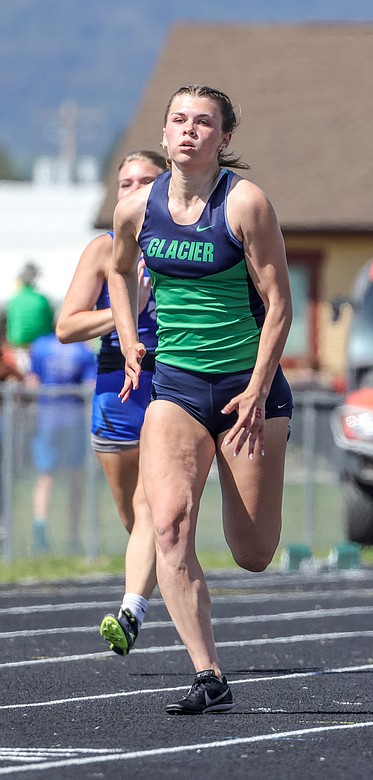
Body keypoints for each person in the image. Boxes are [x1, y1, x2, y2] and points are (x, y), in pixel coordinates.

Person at [108, 84, 293, 715]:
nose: (189, 131)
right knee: (168, 524)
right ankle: (208, 675)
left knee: (253, 552)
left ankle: (259, 471)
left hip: (249, 387)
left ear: (225, 138)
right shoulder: (136, 208)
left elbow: (280, 305)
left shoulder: (245, 205)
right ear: (164, 135)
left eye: (204, 123)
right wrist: (132, 340)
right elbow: (117, 268)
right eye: (179, 121)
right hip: (177, 388)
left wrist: (259, 390)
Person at [57, 149, 166, 654]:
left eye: (146, 181)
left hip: (170, 385)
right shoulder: (102, 251)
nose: (134, 190)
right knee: (136, 518)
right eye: (125, 183)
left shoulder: (187, 245)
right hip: (116, 389)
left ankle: (131, 612)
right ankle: (158, 578)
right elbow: (66, 327)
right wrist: (126, 312)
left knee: (155, 509)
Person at [26, 329, 96, 553]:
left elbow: (32, 382)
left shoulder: (40, 345)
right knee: (74, 479)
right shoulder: (83, 351)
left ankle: (41, 531)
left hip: (47, 419)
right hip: (73, 419)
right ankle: (72, 537)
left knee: (45, 477)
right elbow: (90, 386)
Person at [6, 263, 54, 375]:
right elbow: (50, 323)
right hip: (42, 347)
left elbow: (11, 326)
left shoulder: (14, 300)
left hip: (18, 349)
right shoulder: (42, 300)